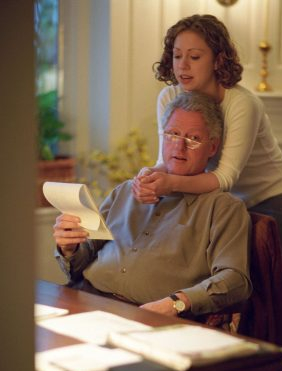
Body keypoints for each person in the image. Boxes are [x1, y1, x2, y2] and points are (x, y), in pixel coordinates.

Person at [132, 14, 282, 291]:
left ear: (218, 60)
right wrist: (146, 178)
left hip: (275, 197)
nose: (183, 66)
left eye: (195, 57)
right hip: (228, 203)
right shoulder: (169, 97)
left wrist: (169, 183)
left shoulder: (242, 104)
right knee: (234, 293)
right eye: (177, 56)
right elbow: (166, 162)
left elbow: (225, 177)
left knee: (273, 297)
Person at [53, 91, 252, 319]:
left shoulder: (223, 208)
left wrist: (177, 303)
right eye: (173, 134)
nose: (179, 147)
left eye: (193, 139)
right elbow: (82, 259)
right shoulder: (127, 191)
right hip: (85, 299)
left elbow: (235, 280)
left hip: (149, 318)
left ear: (213, 147)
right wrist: (69, 248)